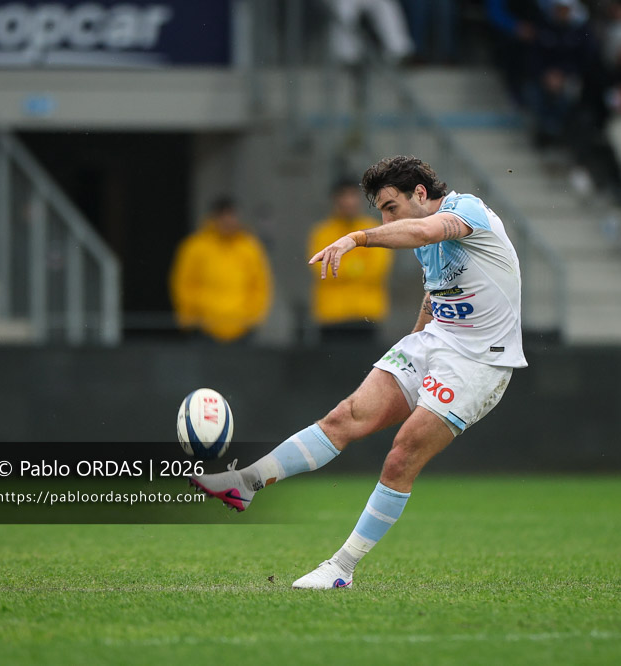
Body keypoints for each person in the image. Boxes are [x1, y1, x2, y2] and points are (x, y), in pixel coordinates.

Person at [191, 156, 527, 589]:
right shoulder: (422, 240)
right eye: (380, 212)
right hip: (435, 342)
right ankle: (245, 482)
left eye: (390, 207)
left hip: (481, 360)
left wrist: (359, 237)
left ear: (420, 194)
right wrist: (410, 350)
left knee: (402, 453)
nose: (385, 218)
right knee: (344, 417)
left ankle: (341, 569)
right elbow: (436, 295)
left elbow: (425, 229)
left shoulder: (469, 211)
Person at [168, 197, 273, 343]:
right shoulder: (195, 247)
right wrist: (190, 317)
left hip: (241, 327)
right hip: (204, 327)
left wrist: (253, 317)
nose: (228, 221)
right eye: (223, 216)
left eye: (231, 216)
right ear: (214, 218)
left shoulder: (249, 248)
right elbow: (183, 284)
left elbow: (260, 285)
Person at [307, 179, 394, 345]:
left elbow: (378, 269)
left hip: (367, 315)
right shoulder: (322, 233)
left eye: (353, 196)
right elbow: (322, 270)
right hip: (331, 316)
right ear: (335, 200)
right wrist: (358, 266)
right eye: (344, 196)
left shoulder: (373, 230)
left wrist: (343, 268)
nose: (348, 201)